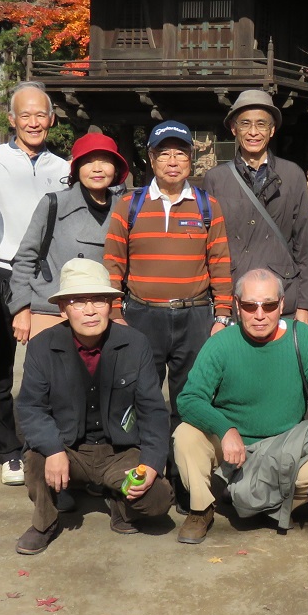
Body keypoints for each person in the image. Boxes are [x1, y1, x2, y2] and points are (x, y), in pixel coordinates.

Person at [14, 259, 173, 554]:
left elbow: (152, 410)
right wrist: (54, 450)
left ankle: (119, 501)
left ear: (110, 305)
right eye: (78, 301)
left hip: (120, 451)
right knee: (36, 461)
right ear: (63, 309)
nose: (90, 310)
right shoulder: (42, 347)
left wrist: (152, 464)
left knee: (158, 501)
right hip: (68, 448)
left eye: (98, 300)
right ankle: (45, 522)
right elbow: (31, 408)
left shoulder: (136, 344)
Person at [172, 269, 308, 544]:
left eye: (269, 305)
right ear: (237, 306)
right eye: (250, 306)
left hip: (283, 448)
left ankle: (267, 505)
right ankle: (201, 508)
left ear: (282, 305)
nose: (260, 315)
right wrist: (225, 429)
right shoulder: (221, 344)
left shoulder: (302, 337)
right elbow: (189, 399)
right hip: (232, 448)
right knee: (185, 435)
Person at [104, 120, 233, 431]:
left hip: (195, 317)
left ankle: (182, 461)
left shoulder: (207, 206)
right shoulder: (129, 205)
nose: (172, 162)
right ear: (151, 159)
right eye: (164, 154)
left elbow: (220, 262)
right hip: (141, 316)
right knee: (139, 395)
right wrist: (115, 313)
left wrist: (223, 315)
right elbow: (112, 264)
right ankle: (145, 457)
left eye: (180, 153)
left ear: (191, 159)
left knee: (191, 399)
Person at [0, 82, 69, 486]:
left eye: (40, 115)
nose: (33, 122)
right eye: (25, 115)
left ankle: (47, 444)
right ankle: (9, 451)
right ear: (11, 119)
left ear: (52, 119)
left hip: (46, 278)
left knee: (50, 367)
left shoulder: (64, 169)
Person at [201, 90, 308, 324]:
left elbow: (304, 243)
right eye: (245, 124)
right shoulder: (216, 179)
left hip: (281, 294)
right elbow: (208, 245)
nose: (253, 132)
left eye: (261, 124)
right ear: (234, 129)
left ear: (272, 130)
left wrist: (306, 305)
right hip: (234, 294)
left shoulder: (292, 175)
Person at [10, 133, 130, 341]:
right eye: (88, 162)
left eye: (105, 161)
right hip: (53, 308)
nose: (97, 169)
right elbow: (25, 258)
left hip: (103, 311)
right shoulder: (54, 204)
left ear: (116, 168)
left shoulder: (125, 208)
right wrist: (21, 308)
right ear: (76, 168)